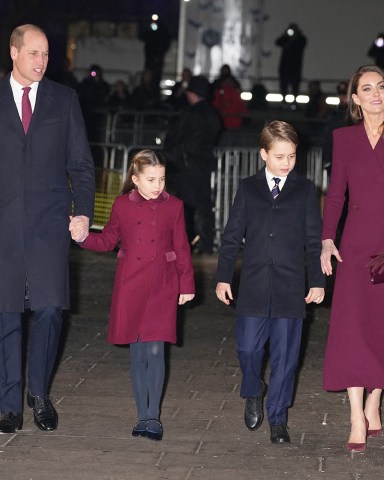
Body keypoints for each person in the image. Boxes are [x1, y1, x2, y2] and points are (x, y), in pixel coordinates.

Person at [0, 24, 95, 434]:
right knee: (5, 315)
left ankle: (39, 394)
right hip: (3, 227)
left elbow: (81, 165)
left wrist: (84, 213)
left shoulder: (64, 99)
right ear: (14, 52)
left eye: (46, 54)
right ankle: (9, 402)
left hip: (49, 225)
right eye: (34, 53)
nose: (42, 61)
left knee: (51, 311)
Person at [70, 149, 195, 441]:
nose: (158, 185)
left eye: (162, 179)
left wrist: (187, 285)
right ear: (135, 179)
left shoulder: (174, 206)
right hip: (130, 285)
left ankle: (153, 417)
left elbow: (182, 247)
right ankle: (142, 415)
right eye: (151, 179)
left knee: (156, 349)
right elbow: (109, 240)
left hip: (163, 285)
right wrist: (84, 237)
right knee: (138, 353)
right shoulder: (121, 205)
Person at [215, 120, 325, 444]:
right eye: (280, 157)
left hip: (291, 287)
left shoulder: (305, 190)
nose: (287, 163)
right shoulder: (248, 188)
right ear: (264, 154)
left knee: (286, 358)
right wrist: (223, 277)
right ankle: (253, 388)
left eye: (291, 156)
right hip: (253, 285)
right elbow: (232, 235)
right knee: (248, 348)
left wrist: (316, 281)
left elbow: (313, 240)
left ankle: (278, 418)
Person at [320, 65, 384, 453]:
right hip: (356, 245)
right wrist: (328, 240)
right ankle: (356, 414)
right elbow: (336, 195)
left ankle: (375, 401)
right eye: (367, 88)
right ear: (356, 100)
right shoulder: (344, 138)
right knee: (353, 329)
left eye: (382, 86)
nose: (377, 93)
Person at [164, 75, 222, 254]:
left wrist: (173, 154)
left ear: (193, 93)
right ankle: (206, 242)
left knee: (186, 206)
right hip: (203, 165)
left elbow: (175, 136)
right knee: (203, 204)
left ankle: (185, 242)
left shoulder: (190, 114)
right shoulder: (213, 115)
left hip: (187, 165)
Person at [275, 23, 307, 97]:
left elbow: (303, 43)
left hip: (295, 67)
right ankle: (284, 101)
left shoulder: (301, 39)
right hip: (285, 67)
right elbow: (277, 42)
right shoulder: (286, 38)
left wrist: (297, 36)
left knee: (295, 86)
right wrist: (285, 36)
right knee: (284, 86)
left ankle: (294, 102)